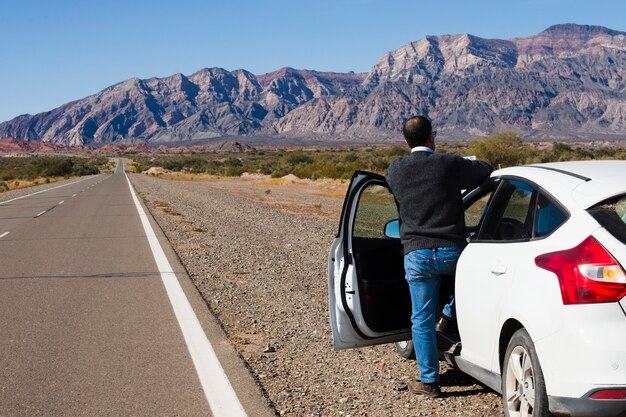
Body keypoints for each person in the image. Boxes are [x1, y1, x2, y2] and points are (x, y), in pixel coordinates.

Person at [386, 115, 492, 398]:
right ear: (432, 137)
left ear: (406, 141)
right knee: (478, 284)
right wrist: (464, 162)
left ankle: (429, 382)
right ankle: (447, 315)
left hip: (417, 253)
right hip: (452, 251)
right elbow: (485, 170)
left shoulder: (395, 170)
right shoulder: (448, 164)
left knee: (420, 319)